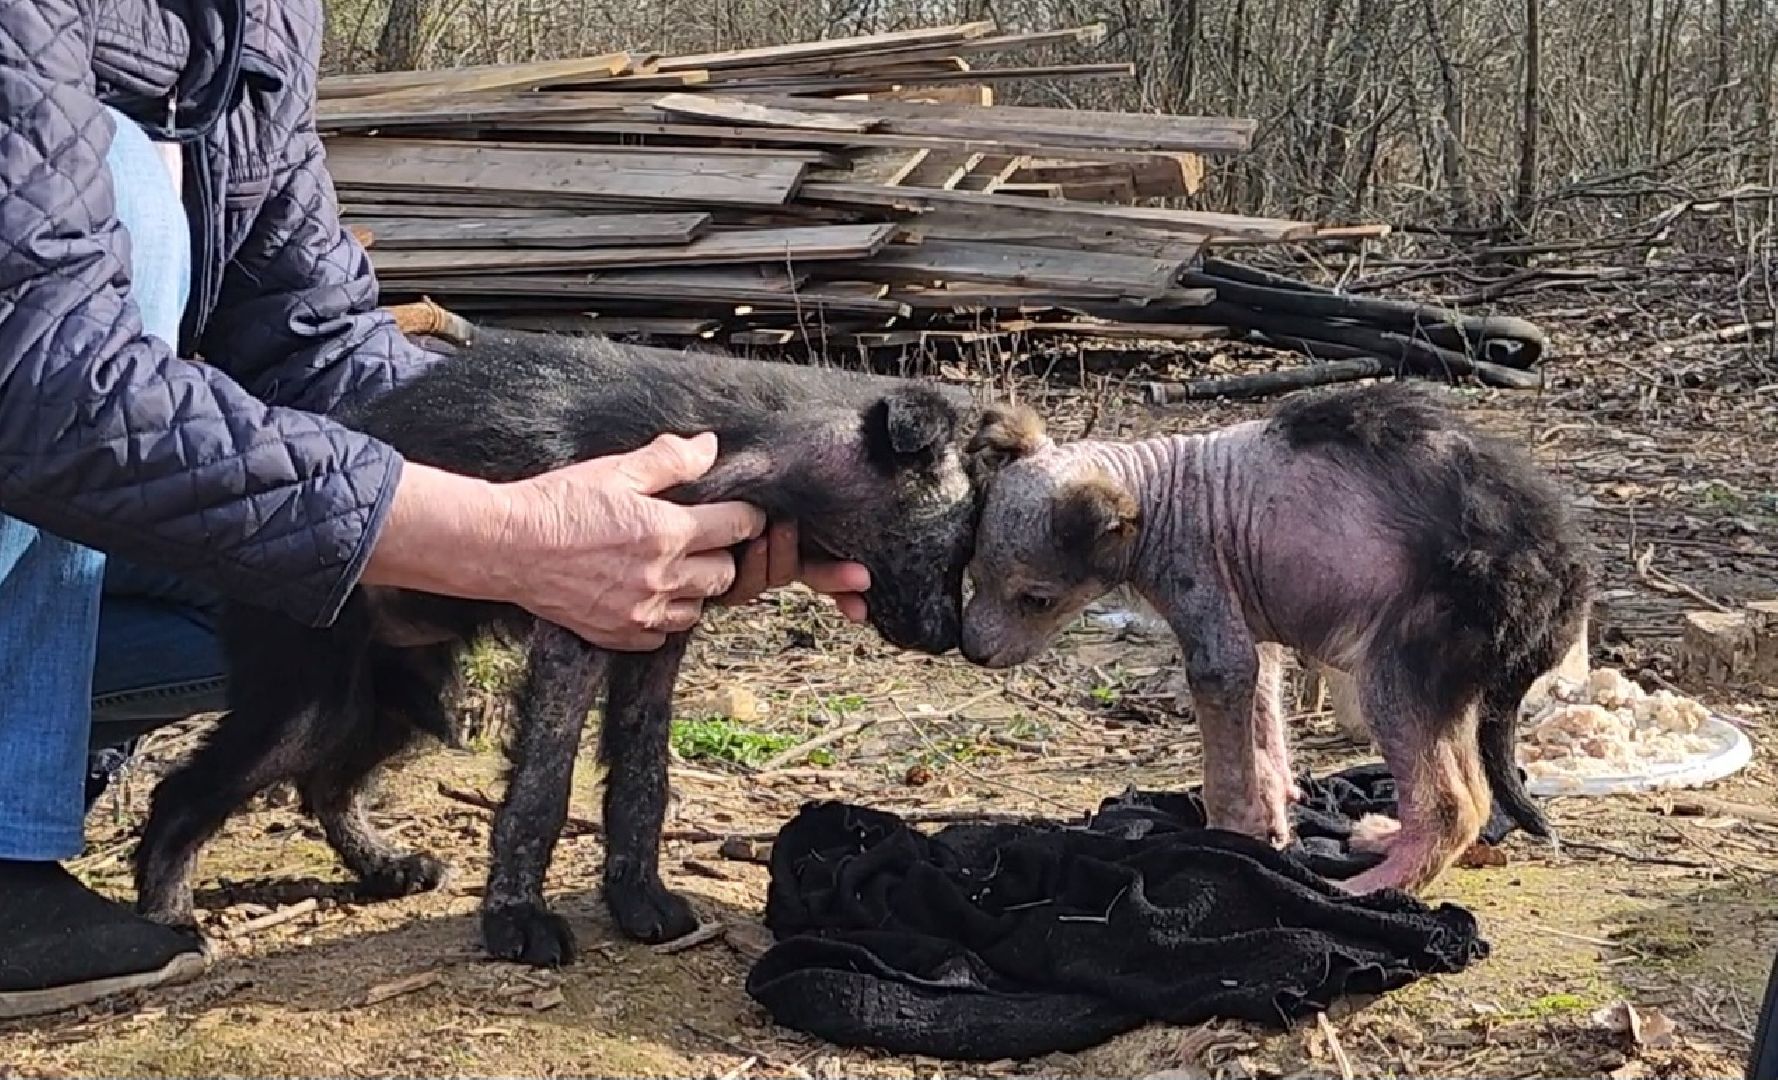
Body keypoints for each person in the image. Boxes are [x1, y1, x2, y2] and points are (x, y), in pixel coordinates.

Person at [0, 0, 869, 1020]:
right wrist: (504, 538)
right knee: (128, 189)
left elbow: (316, 347)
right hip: (40, 413)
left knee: (298, 593)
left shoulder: (252, 21)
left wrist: (640, 506)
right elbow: (44, 380)